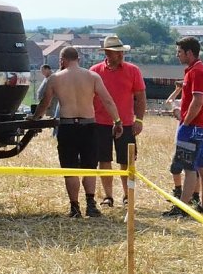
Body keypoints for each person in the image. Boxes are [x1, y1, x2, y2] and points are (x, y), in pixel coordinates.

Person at [30, 46, 123, 218]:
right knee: (90, 167)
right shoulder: (93, 76)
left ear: (62, 60)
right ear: (78, 58)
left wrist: (35, 119)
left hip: (67, 126)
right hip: (89, 125)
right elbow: (108, 101)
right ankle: (91, 205)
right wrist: (117, 121)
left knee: (70, 168)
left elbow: (45, 103)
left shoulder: (55, 78)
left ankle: (74, 208)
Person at [90, 36, 147, 208]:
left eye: (121, 51)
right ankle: (108, 196)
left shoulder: (133, 70)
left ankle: (127, 195)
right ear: (108, 53)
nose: (121, 54)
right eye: (117, 52)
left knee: (127, 161)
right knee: (103, 160)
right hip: (100, 123)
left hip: (127, 124)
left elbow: (141, 98)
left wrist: (139, 120)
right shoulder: (95, 71)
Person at [163, 37, 203, 218]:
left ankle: (183, 208)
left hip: (193, 127)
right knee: (202, 166)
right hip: (202, 127)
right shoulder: (199, 70)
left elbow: (197, 101)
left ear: (189, 53)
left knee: (189, 167)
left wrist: (185, 121)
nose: (177, 55)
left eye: (179, 52)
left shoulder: (196, 72)